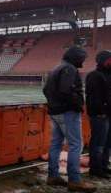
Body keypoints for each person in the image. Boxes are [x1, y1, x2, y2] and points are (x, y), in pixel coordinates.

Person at [43, 45, 96, 192]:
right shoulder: (69, 69)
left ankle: (52, 176)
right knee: (76, 145)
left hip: (55, 112)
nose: (83, 61)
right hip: (67, 113)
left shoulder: (57, 68)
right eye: (82, 58)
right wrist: (78, 104)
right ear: (75, 57)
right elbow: (66, 91)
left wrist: (54, 105)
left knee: (55, 144)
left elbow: (45, 90)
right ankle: (74, 180)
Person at [86, 50, 111, 178]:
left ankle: (103, 166)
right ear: (103, 60)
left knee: (107, 143)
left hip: (108, 115)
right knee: (99, 142)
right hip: (100, 115)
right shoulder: (94, 75)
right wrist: (101, 111)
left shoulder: (108, 75)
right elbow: (93, 98)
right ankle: (95, 168)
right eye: (109, 59)